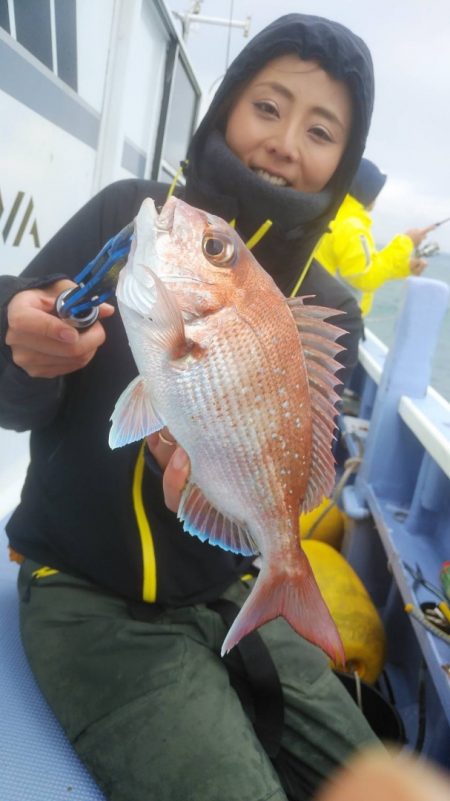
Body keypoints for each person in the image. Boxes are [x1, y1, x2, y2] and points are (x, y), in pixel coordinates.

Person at [0, 14, 381, 801]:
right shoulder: (129, 215)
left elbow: (298, 462)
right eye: (268, 107)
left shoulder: (331, 305)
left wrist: (243, 519)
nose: (284, 140)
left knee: (380, 783)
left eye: (321, 128)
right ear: (226, 107)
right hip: (83, 597)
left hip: (231, 588)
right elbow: (15, 402)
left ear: (344, 161)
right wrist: (21, 339)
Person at [313, 157, 436, 316]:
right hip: (336, 317)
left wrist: (405, 267)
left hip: (322, 310)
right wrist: (407, 242)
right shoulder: (352, 227)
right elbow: (366, 279)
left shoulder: (335, 216)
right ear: (366, 191)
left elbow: (355, 269)